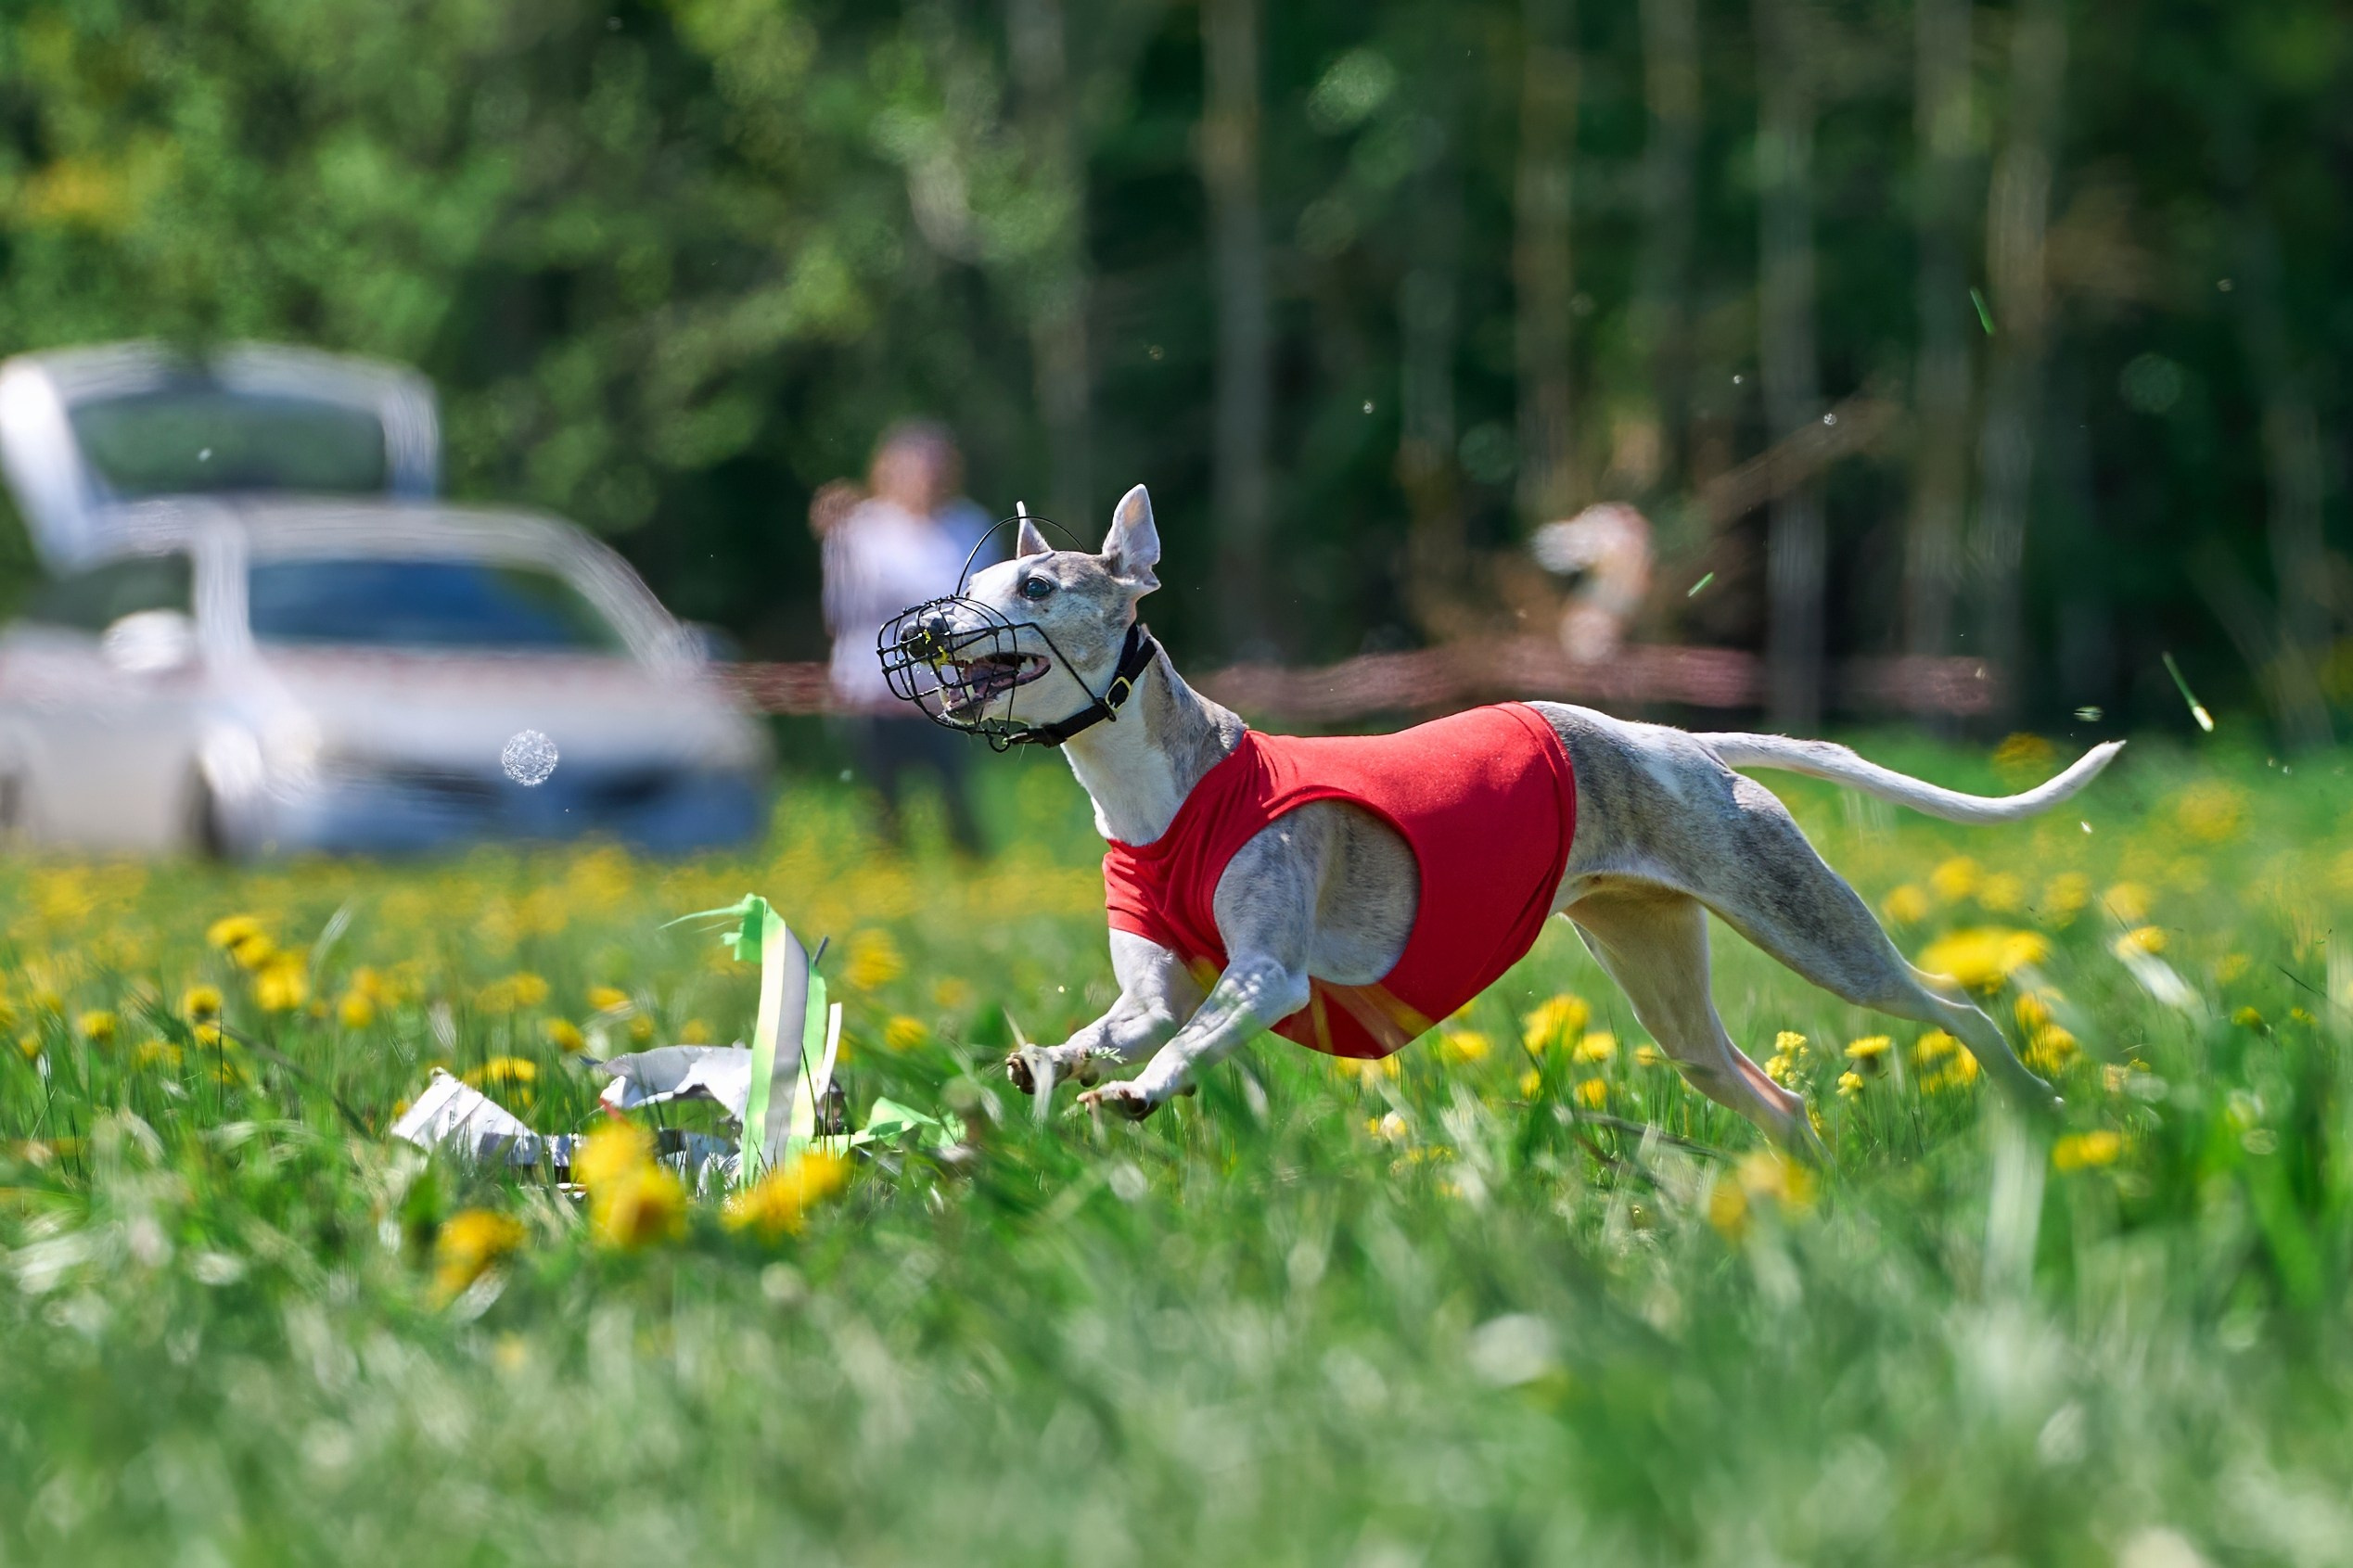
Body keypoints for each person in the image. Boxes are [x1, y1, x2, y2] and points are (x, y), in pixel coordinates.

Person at [813, 421, 994, 854]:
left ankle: (971, 877)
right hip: (874, 688)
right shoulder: (859, 527)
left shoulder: (971, 524)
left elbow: (979, 606)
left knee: (955, 798)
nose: (925, 479)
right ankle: (888, 875)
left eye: (934, 468)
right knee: (883, 803)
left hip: (946, 687)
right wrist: (834, 543)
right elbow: (840, 613)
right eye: (915, 468)